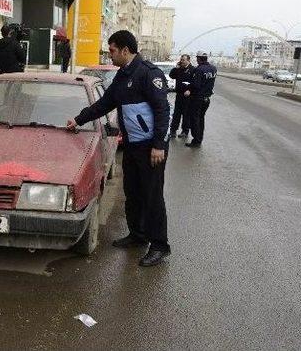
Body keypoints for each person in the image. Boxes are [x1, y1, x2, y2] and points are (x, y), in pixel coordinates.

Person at [66, 30, 171, 267]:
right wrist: (78, 119)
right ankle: (138, 235)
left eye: (112, 50)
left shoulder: (148, 74)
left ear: (125, 50)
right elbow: (104, 104)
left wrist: (158, 145)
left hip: (150, 148)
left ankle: (160, 245)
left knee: (152, 197)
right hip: (133, 146)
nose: (109, 54)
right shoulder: (123, 76)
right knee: (132, 193)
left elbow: (163, 111)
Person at [185, 51, 217, 148]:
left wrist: (189, 87)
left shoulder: (199, 69)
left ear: (199, 58)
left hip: (197, 99)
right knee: (201, 119)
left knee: (195, 120)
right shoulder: (213, 68)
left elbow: (196, 85)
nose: (196, 59)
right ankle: (200, 138)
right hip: (207, 99)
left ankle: (196, 140)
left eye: (197, 58)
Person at [168, 54, 193, 138]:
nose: (181, 61)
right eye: (181, 59)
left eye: (183, 60)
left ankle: (185, 131)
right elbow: (171, 75)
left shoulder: (193, 70)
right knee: (176, 114)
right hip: (179, 95)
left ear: (188, 60)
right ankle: (173, 130)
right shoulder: (179, 69)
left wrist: (190, 90)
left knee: (186, 114)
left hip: (188, 96)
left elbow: (196, 83)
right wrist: (176, 67)